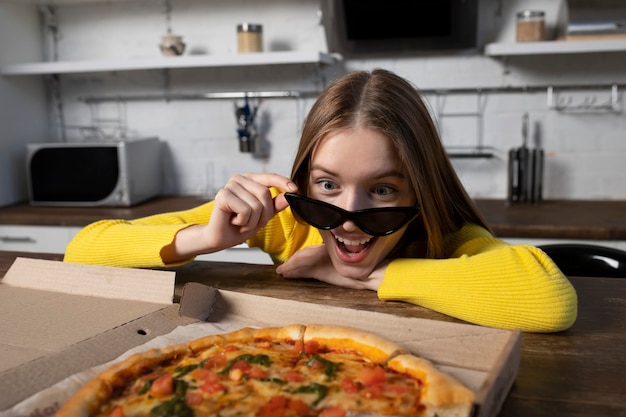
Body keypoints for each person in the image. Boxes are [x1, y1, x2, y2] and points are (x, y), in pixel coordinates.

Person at [64, 69, 577, 333]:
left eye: (382, 190)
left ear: (420, 191)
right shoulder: (283, 215)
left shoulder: (440, 233)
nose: (348, 222)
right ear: (303, 179)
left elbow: (550, 300)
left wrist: (357, 275)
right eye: (328, 186)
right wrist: (208, 237)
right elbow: (83, 250)